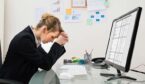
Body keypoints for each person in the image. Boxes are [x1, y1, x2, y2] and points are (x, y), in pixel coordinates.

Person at [0, 13, 68, 84]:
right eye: (52, 37)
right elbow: (46, 64)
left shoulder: (33, 39)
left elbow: (45, 59)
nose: (52, 41)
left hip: (24, 79)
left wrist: (60, 44)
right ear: (44, 29)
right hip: (13, 81)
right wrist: (57, 44)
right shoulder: (24, 40)